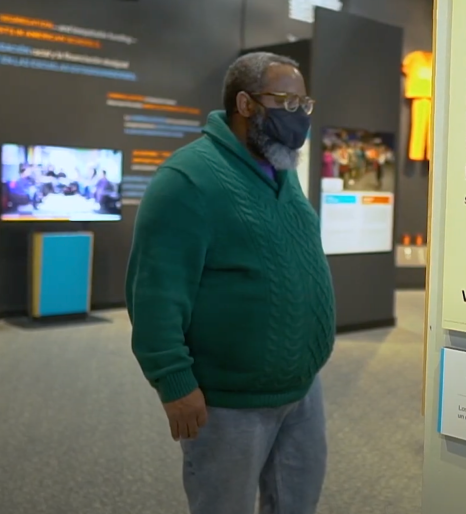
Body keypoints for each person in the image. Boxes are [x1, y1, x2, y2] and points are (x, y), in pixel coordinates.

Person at [125, 52, 335, 514]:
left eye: (304, 104)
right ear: (245, 104)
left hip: (302, 389)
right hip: (228, 402)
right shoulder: (187, 179)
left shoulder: (282, 170)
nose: (299, 115)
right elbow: (154, 295)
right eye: (286, 102)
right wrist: (174, 383)